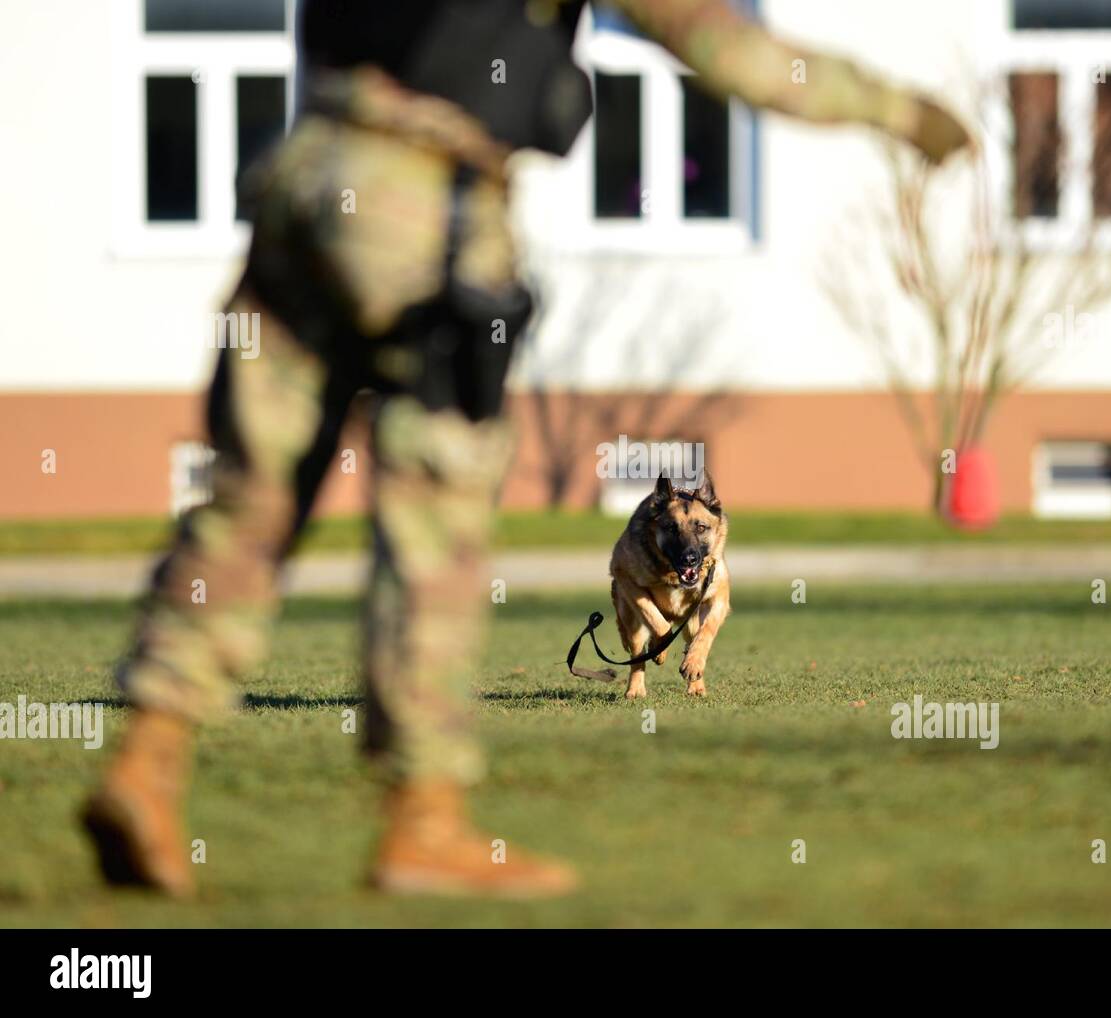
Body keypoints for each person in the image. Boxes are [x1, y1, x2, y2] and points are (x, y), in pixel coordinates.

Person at [83, 0, 972, 900]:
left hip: (301, 179)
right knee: (436, 523)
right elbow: (727, 48)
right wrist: (900, 112)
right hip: (424, 207)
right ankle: (423, 822)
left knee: (249, 502)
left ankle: (146, 766)